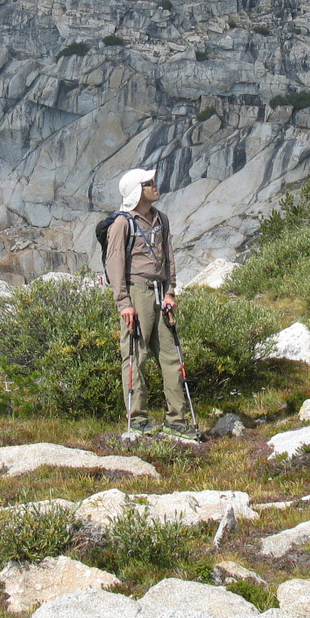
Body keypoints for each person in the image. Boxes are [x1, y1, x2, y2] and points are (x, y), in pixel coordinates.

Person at [105, 167, 201, 439]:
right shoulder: (122, 223)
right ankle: (137, 420)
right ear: (137, 191)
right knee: (136, 356)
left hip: (160, 293)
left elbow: (168, 256)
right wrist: (124, 303)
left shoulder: (161, 219)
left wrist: (170, 291)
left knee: (171, 356)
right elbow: (114, 265)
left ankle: (177, 420)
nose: (155, 185)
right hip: (137, 293)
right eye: (149, 183)